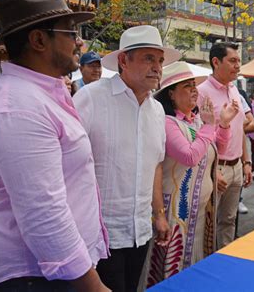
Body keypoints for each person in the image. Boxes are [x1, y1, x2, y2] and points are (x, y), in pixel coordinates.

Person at [0, 0, 109, 292]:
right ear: (38, 40)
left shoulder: (39, 95)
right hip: (29, 276)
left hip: (49, 272)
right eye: (70, 32)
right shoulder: (18, 108)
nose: (79, 41)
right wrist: (94, 286)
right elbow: (44, 214)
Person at [73, 25, 181, 292]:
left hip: (140, 232)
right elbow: (69, 165)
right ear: (123, 60)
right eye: (148, 58)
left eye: (159, 60)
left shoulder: (156, 111)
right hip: (99, 235)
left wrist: (158, 214)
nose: (157, 67)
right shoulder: (91, 98)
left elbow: (154, 164)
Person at [145, 61, 238, 286]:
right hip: (176, 211)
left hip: (199, 210)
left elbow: (217, 151)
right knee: (173, 266)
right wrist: (208, 126)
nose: (195, 90)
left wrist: (223, 124)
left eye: (194, 85)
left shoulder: (195, 121)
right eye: (187, 86)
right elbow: (189, 156)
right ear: (172, 95)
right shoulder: (168, 123)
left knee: (194, 263)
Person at [197, 42, 252, 249]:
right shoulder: (202, 92)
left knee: (229, 220)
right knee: (207, 223)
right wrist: (211, 170)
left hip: (237, 166)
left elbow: (240, 129)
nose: (238, 65)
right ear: (215, 62)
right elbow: (199, 136)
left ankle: (225, 258)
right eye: (233, 61)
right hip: (216, 170)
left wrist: (246, 162)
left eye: (239, 61)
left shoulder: (234, 90)